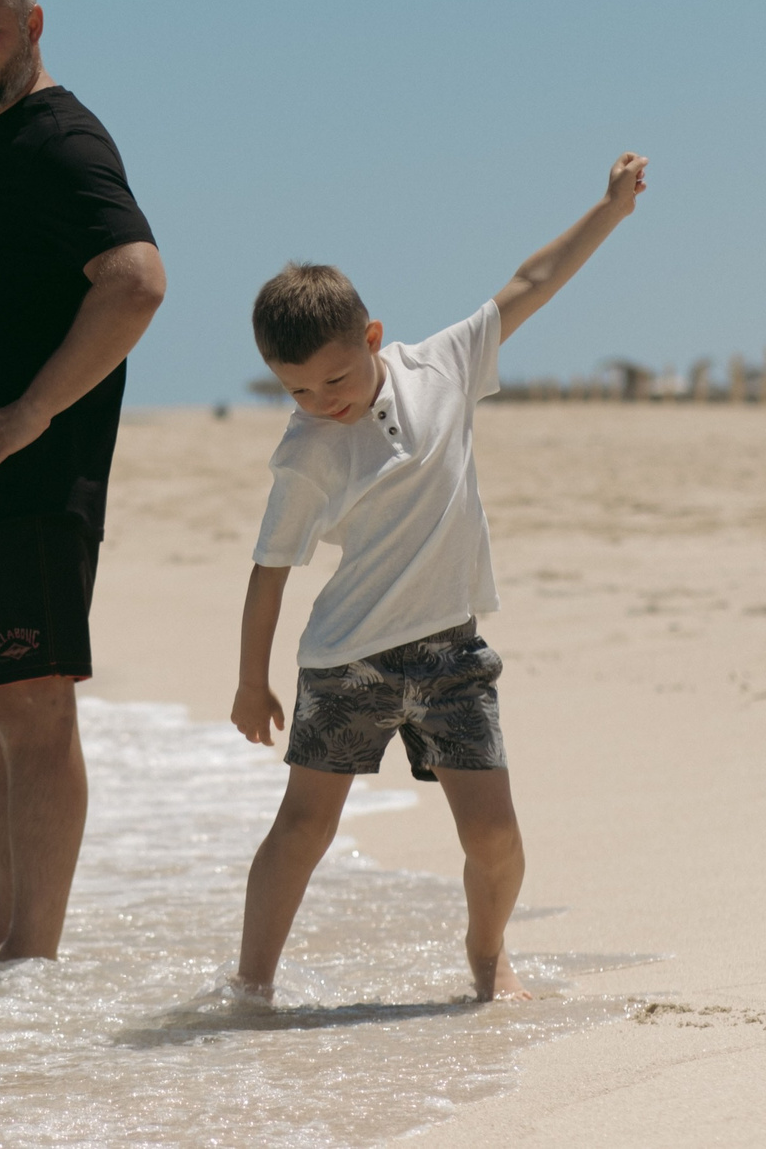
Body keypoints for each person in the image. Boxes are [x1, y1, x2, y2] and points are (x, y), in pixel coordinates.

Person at [229, 152, 650, 1003]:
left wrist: (609, 210)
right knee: (303, 827)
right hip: (346, 663)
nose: (322, 400)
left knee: (494, 838)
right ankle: (251, 985)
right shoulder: (306, 451)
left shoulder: (445, 366)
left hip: (453, 655)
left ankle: (489, 956)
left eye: (336, 378)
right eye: (298, 388)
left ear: (373, 338)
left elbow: (531, 281)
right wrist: (250, 681)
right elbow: (269, 570)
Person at [0, 0, 168, 961]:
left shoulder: (59, 138)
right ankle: (4, 940)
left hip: (28, 486)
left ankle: (35, 958)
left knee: (31, 714)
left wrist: (35, 411)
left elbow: (137, 280)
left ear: (32, 23)